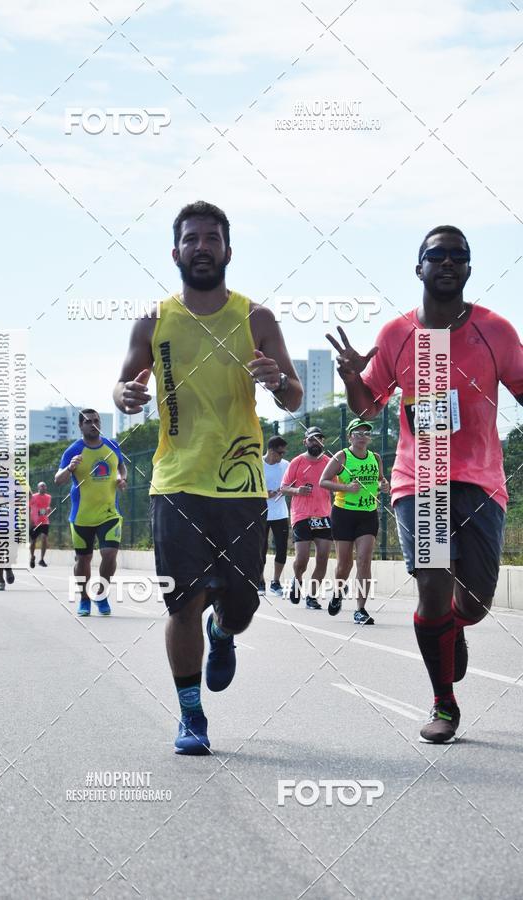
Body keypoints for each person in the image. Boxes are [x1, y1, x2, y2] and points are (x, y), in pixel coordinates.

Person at [113, 200, 303, 755]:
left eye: (211, 238)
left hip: (242, 487)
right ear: (176, 252)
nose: (201, 247)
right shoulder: (154, 320)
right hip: (176, 482)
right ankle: (191, 715)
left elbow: (292, 397)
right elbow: (124, 387)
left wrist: (276, 382)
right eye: (191, 239)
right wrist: (124, 395)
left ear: (227, 250)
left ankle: (224, 634)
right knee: (182, 602)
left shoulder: (256, 319)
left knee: (241, 608)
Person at [327, 224, 523, 743]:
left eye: (458, 255)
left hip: (481, 480)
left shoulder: (495, 331)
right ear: (419, 267)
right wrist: (351, 378)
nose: (448, 262)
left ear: (468, 269)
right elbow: (368, 405)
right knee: (432, 584)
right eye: (436, 254)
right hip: (421, 480)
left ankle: (452, 629)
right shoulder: (397, 335)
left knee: (475, 604)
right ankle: (444, 704)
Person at [54, 409, 127, 616]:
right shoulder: (73, 450)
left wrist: (122, 478)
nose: (93, 424)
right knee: (83, 560)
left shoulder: (112, 445)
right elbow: (58, 480)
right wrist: (69, 468)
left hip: (109, 513)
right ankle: (85, 599)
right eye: (88, 421)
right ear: (80, 426)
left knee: (110, 554)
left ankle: (102, 594)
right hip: (82, 515)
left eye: (96, 421)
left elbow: (121, 466)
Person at [319, 419, 390, 624]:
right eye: (357, 433)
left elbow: (380, 481)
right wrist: (346, 488)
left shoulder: (375, 457)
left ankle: (360, 609)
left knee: (364, 560)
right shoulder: (342, 456)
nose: (362, 436)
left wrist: (384, 486)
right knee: (344, 564)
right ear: (350, 436)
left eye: (366, 433)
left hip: (368, 513)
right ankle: (338, 592)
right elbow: (323, 481)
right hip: (344, 514)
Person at [280, 427, 333, 609]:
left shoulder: (329, 462)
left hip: (324, 514)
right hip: (301, 515)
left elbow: (340, 485)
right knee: (302, 559)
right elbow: (284, 487)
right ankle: (297, 579)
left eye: (319, 439)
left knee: (323, 558)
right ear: (305, 442)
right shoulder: (297, 462)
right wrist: (297, 490)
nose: (316, 443)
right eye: (312, 439)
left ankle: (312, 596)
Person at [259, 435, 290, 596]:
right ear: (270, 451)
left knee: (281, 548)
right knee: (260, 549)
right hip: (261, 514)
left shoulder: (286, 465)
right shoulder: (257, 464)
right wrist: (265, 494)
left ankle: (276, 582)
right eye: (280, 453)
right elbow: (248, 487)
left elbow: (293, 483)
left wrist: (287, 489)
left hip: (280, 514)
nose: (282, 456)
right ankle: (260, 581)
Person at [29, 482, 52, 568]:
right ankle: (32, 557)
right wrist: (30, 520)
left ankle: (42, 559)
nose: (44, 487)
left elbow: (46, 508)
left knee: (44, 538)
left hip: (44, 522)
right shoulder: (33, 497)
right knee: (33, 542)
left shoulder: (49, 497)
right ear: (38, 487)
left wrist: (48, 509)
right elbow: (29, 508)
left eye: (45, 486)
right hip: (34, 522)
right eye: (42, 486)